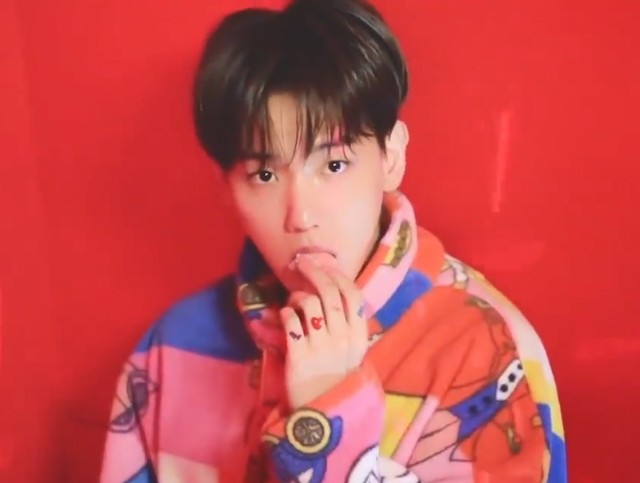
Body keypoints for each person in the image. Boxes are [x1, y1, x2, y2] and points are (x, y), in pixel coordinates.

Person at [99, 0, 567, 481]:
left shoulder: (484, 347)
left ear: (391, 157)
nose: (300, 216)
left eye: (334, 165)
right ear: (227, 188)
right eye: (264, 175)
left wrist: (328, 415)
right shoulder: (174, 345)